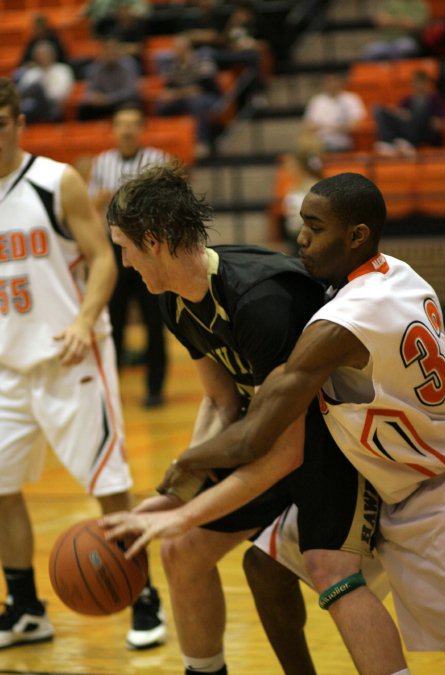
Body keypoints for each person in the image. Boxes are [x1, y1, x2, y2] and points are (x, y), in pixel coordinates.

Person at [109, 171, 445, 654]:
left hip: (378, 467)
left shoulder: (286, 308)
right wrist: (181, 492)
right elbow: (224, 403)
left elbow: (270, 444)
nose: (301, 239)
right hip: (337, 449)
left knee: (330, 570)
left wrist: (184, 493)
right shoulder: (174, 302)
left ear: (153, 241)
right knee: (225, 560)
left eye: (125, 247)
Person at [0, 77, 165, 651]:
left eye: (0, 125)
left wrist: (82, 320)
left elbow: (103, 261)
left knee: (110, 485)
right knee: (1, 489)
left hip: (72, 355)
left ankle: (143, 597)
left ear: (18, 123)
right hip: (6, 367)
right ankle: (24, 608)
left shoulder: (55, 182)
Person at [89, 103, 169, 407]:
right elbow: (90, 209)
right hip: (114, 250)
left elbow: (167, 207)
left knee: (154, 322)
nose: (127, 129)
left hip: (149, 250)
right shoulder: (101, 162)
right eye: (122, 123)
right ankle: (111, 389)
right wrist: (98, 201)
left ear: (142, 128)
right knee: (114, 323)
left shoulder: (157, 161)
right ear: (114, 129)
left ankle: (155, 388)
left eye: (133, 123)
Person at [155, 35, 222, 158]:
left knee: (196, 102)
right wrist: (167, 95)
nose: (175, 51)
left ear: (187, 48)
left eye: (178, 48)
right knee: (161, 105)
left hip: (210, 97)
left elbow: (202, 88)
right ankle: (168, 141)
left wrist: (177, 93)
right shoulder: (174, 65)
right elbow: (170, 87)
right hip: (184, 98)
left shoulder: (203, 60)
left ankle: (201, 143)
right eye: (174, 48)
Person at [373, 69, 445, 156]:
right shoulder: (407, 100)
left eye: (420, 82)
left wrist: (422, 118)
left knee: (421, 106)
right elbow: (400, 117)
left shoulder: (437, 100)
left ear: (427, 83)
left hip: (425, 132)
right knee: (378, 109)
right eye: (415, 82)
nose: (417, 85)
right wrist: (400, 114)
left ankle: (406, 142)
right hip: (408, 129)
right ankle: (388, 142)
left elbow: (439, 125)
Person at [77, 36, 140, 121]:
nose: (110, 53)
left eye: (113, 49)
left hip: (121, 102)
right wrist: (93, 97)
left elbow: (129, 91)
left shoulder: (129, 65)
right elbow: (89, 90)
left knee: (131, 102)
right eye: (107, 50)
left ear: (119, 51)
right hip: (102, 104)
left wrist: (108, 99)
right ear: (101, 51)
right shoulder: (94, 68)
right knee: (84, 108)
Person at [301, 74, 366, 152]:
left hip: (343, 144)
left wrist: (324, 127)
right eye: (329, 82)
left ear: (341, 82)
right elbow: (308, 125)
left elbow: (355, 125)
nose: (332, 84)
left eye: (335, 81)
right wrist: (338, 128)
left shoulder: (351, 99)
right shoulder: (316, 100)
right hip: (319, 145)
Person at [16, 40, 75, 123]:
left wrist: (43, 90)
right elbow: (21, 93)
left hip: (53, 107)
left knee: (36, 88)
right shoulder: (31, 73)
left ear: (52, 54)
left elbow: (61, 94)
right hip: (31, 107)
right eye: (39, 54)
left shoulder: (62, 70)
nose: (42, 57)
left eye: (44, 54)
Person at [362, 0, 430, 61]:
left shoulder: (419, 4)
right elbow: (380, 21)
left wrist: (391, 20)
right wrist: (402, 21)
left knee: (404, 47)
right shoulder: (390, 2)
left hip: (408, 41)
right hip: (386, 42)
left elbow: (415, 25)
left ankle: (397, 73)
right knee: (371, 51)